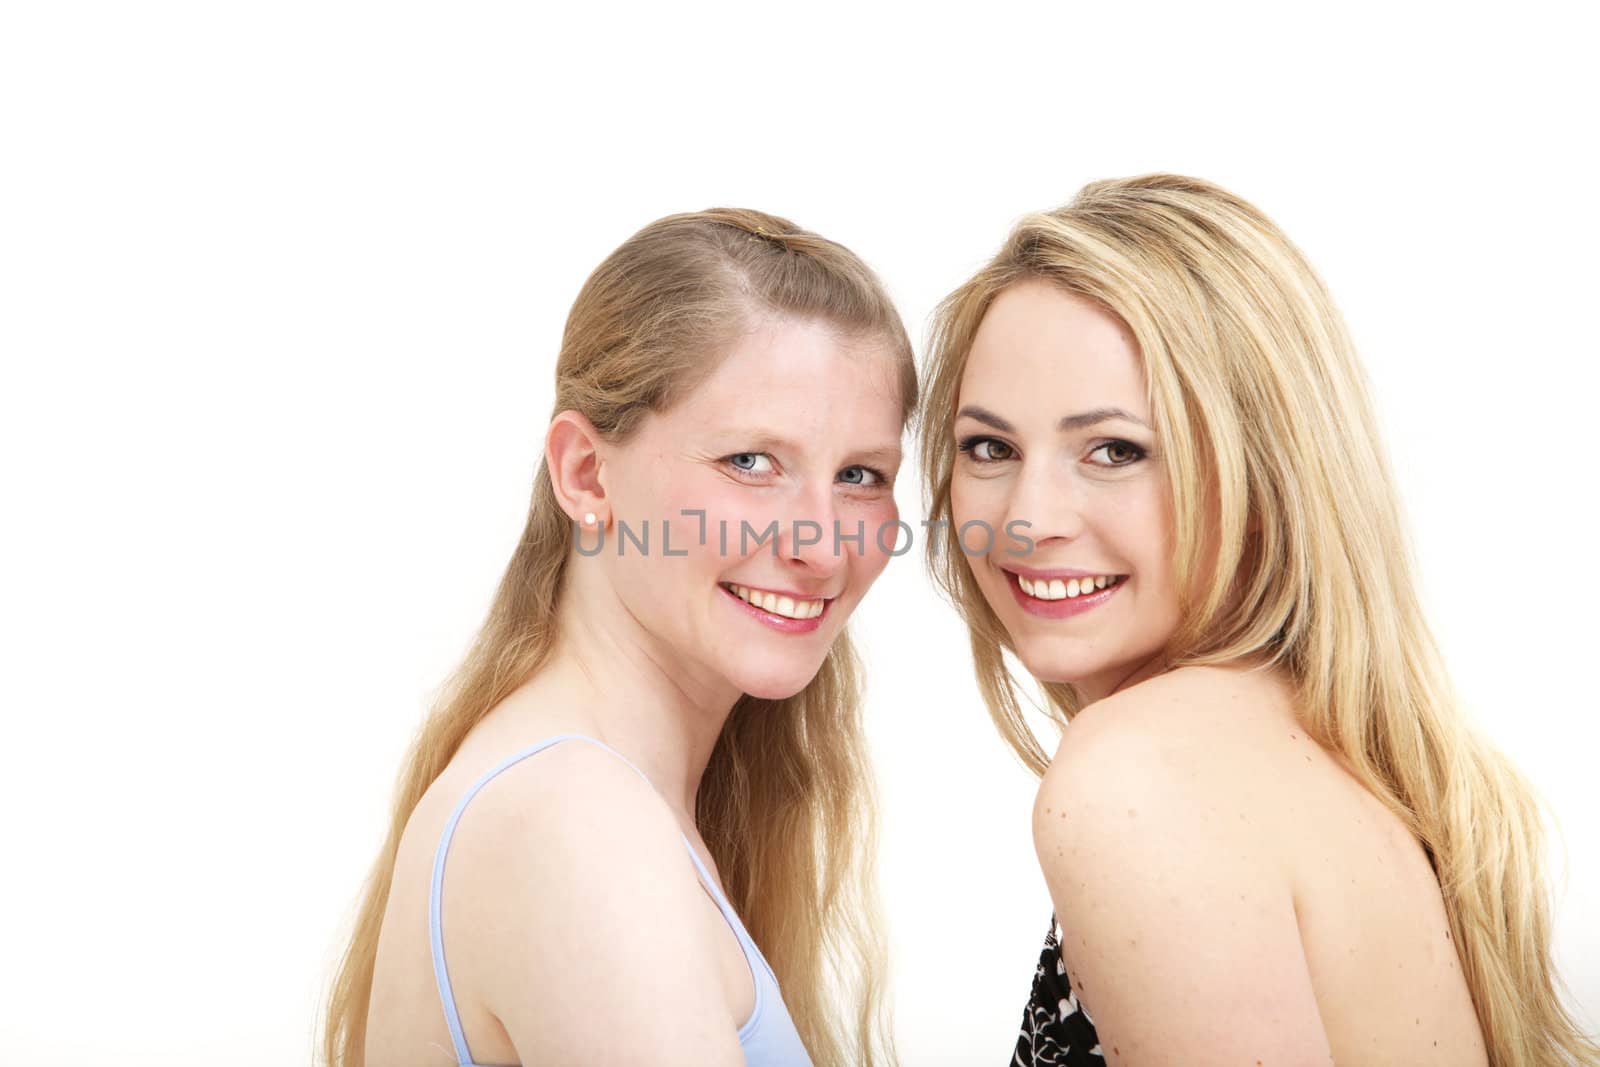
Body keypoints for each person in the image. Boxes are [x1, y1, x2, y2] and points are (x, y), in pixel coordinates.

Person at [918, 174, 1598, 1066]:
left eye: (1117, 449)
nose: (1026, 517)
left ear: (1262, 477)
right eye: (990, 447)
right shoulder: (1324, 745)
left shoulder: (1137, 775)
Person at [322, 208, 915, 1066]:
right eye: (750, 461)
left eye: (861, 475)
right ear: (586, 472)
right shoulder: (574, 823)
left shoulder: (612, 796)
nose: (822, 545)